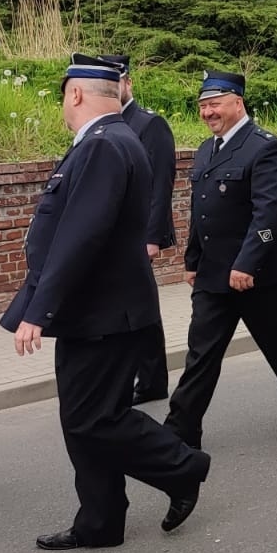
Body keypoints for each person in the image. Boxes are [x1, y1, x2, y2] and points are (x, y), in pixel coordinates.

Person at [2, 56, 208, 550]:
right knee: (84, 419)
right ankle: (100, 520)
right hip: (95, 312)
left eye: (62, 95)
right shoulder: (112, 140)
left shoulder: (103, 144)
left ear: (75, 93)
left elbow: (79, 235)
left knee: (93, 419)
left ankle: (183, 467)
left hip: (101, 313)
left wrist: (38, 309)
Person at [166, 71, 277, 450]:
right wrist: (192, 260)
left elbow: (268, 215)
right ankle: (180, 430)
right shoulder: (206, 149)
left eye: (214, 103)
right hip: (213, 271)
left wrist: (247, 264)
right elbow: (200, 212)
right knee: (202, 350)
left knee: (275, 340)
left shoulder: (265, 148)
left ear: (238, 102)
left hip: (260, 270)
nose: (207, 112)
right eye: (203, 106)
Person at [96, 55, 179, 406]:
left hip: (139, 235)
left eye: (115, 84)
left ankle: (151, 379)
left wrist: (152, 237)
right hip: (112, 237)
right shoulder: (103, 125)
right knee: (126, 305)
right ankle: (139, 376)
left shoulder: (150, 124)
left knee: (140, 307)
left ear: (127, 83)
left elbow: (162, 184)